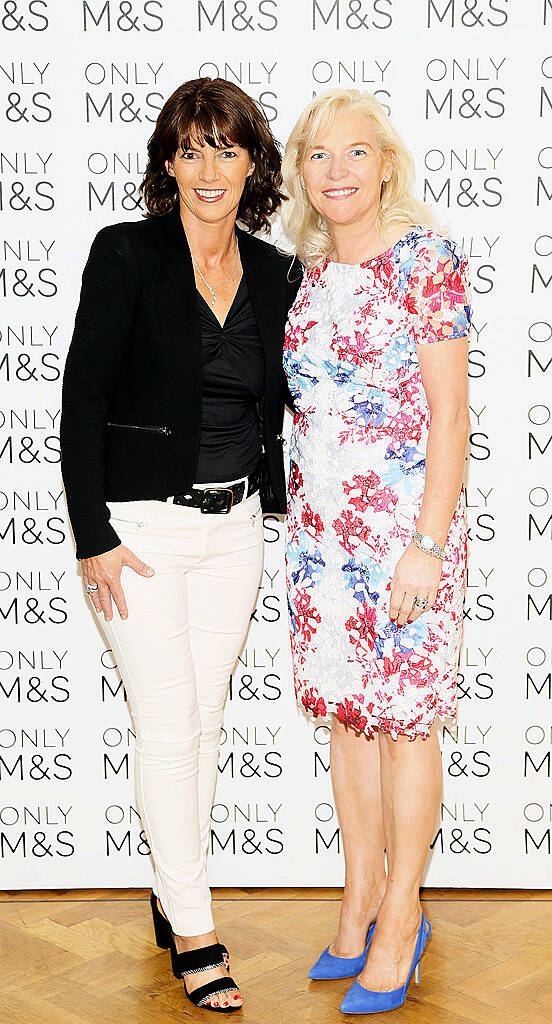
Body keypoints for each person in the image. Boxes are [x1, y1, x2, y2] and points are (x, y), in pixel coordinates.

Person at [60, 77, 300, 1014]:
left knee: (203, 722)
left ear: (252, 165)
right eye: (190, 148)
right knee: (167, 727)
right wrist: (93, 534)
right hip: (141, 534)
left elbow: (286, 398)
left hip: (237, 530)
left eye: (226, 149)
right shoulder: (126, 255)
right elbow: (83, 395)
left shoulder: (278, 272)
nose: (208, 168)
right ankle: (196, 930)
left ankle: (172, 890)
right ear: (169, 162)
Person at [281, 88, 471, 1014]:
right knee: (350, 720)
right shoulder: (308, 274)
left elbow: (451, 416)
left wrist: (427, 544)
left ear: (386, 164)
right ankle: (358, 900)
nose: (339, 170)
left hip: (404, 538)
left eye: (357, 153)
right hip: (320, 541)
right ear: (302, 177)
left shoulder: (425, 262)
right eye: (320, 155)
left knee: (405, 727)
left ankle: (403, 915)